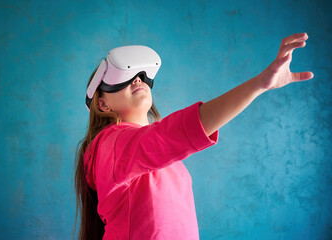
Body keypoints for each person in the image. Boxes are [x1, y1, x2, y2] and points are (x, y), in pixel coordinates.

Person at [74, 32, 314, 240]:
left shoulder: (161, 158)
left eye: (142, 75)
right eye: (121, 79)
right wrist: (259, 84)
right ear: (103, 105)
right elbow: (174, 134)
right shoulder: (110, 145)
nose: (138, 79)